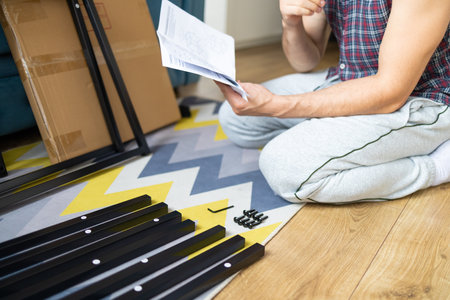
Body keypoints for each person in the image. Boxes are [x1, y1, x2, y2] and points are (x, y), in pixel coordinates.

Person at [215, 0, 450, 204]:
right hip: (350, 79)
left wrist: (276, 105)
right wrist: (291, 22)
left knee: (283, 167)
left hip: (422, 98)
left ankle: (436, 166)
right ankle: (340, 140)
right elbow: (305, 62)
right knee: (235, 118)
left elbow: (391, 91)